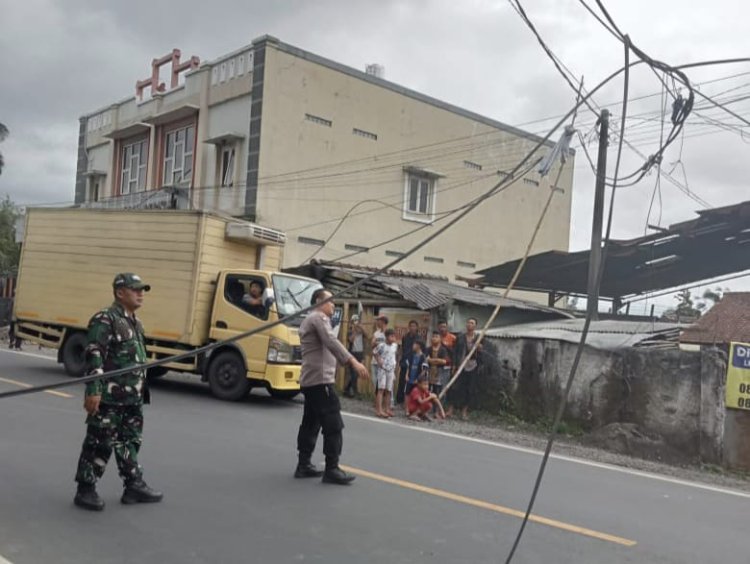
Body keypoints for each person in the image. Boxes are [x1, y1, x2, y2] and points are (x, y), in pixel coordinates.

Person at [73, 273, 163, 511]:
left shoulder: (136, 322)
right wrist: (93, 389)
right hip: (110, 396)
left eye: (142, 289)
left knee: (130, 441)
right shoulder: (105, 319)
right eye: (136, 289)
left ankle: (133, 484)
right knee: (99, 442)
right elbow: (94, 353)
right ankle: (85, 489)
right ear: (120, 292)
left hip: (133, 396)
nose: (141, 293)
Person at [295, 288, 368, 485]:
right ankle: (332, 468)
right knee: (333, 424)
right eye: (330, 301)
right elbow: (331, 341)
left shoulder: (311, 319)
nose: (333, 305)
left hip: (312, 380)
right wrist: (353, 361)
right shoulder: (318, 317)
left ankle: (303, 465)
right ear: (319, 302)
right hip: (320, 381)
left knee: (311, 422)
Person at [448, 317, 482, 421]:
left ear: (475, 326)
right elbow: (455, 352)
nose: (469, 325)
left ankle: (464, 411)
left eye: (472, 323)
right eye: (468, 323)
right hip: (461, 365)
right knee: (455, 387)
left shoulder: (478, 338)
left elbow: (481, 353)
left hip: (472, 365)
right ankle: (450, 409)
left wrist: (479, 348)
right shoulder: (461, 337)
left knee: (469, 389)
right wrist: (454, 365)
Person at [373, 328, 398, 418]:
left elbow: (394, 355)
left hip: (391, 370)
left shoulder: (395, 346)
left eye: (394, 336)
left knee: (389, 390)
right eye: (391, 336)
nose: (393, 338)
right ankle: (379, 410)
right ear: (387, 337)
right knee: (381, 389)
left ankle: (387, 409)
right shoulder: (382, 345)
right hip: (382, 369)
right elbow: (375, 352)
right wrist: (379, 360)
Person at [396, 320, 419, 405]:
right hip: (404, 361)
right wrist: (400, 358)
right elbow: (402, 348)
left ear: (417, 328)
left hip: (414, 363)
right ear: (409, 327)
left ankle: (411, 401)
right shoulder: (405, 337)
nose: (412, 328)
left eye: (414, 326)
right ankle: (399, 400)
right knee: (401, 381)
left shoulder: (418, 338)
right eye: (411, 326)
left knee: (412, 382)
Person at [344, 315, 367, 397]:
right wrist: (355, 330)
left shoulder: (361, 331)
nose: (356, 322)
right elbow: (351, 340)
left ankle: (347, 389)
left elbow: (367, 335)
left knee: (357, 373)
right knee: (353, 373)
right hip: (352, 353)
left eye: (357, 320)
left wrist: (361, 327)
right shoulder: (350, 331)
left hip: (360, 353)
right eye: (354, 321)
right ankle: (355, 391)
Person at [425, 330, 450, 402]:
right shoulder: (428, 349)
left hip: (439, 373)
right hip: (429, 372)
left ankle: (436, 409)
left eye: (436, 337)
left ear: (440, 339)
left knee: (437, 391)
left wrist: (432, 360)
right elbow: (426, 360)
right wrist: (438, 360)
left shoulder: (443, 350)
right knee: (428, 390)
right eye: (433, 337)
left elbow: (444, 361)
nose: (434, 338)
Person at [370, 314, 388, 406]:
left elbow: (389, 344)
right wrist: (379, 343)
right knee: (375, 381)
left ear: (383, 321)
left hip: (383, 362)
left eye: (379, 320)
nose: (377, 322)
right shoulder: (376, 333)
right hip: (374, 361)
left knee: (382, 383)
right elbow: (372, 344)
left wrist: (377, 343)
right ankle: (377, 400)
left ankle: (381, 402)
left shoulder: (389, 332)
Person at [403, 339, 427, 404]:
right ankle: (407, 409)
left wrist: (418, 379)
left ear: (418, 346)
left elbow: (424, 370)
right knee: (407, 393)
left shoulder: (423, 357)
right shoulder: (411, 355)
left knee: (417, 393)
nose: (413, 346)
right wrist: (406, 375)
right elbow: (408, 366)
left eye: (414, 344)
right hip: (410, 378)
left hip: (417, 380)